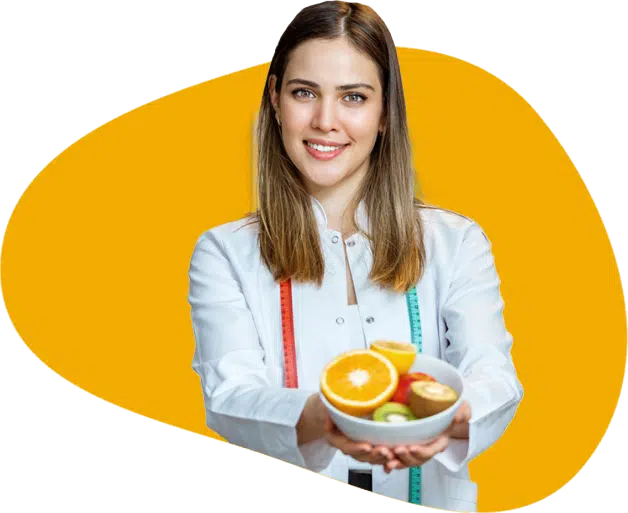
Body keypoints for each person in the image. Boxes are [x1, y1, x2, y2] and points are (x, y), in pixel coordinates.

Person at [188, 1, 523, 512]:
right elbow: (231, 396)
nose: (326, 121)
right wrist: (323, 419)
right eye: (305, 93)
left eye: (354, 97)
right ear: (275, 99)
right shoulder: (225, 253)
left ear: (385, 111)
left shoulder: (456, 243)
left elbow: (491, 372)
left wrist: (452, 421)